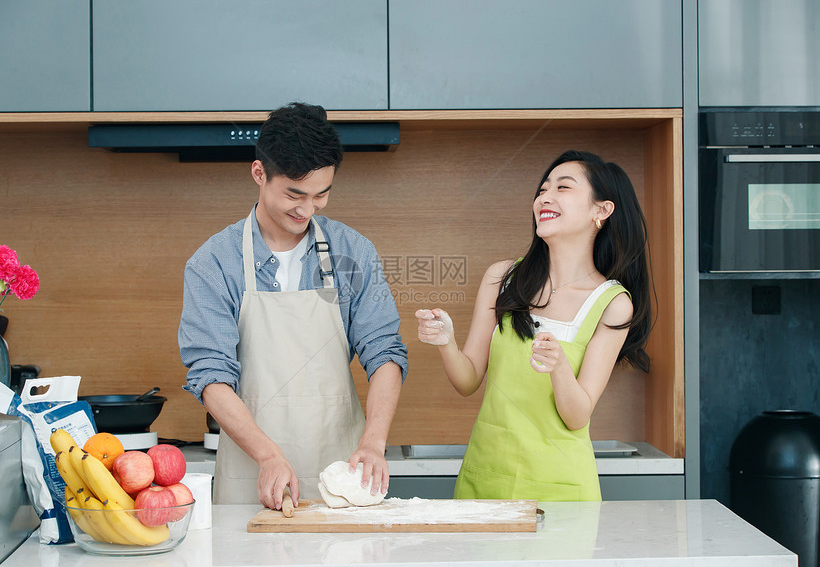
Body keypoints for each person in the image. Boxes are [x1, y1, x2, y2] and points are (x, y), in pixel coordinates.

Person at [179, 102, 407, 509]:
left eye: (322, 195)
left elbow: (385, 352)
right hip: (253, 477)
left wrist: (374, 442)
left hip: (342, 471)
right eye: (294, 194)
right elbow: (211, 377)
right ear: (259, 174)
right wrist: (268, 456)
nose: (307, 209)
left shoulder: (352, 251)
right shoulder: (213, 263)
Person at [415, 150, 651, 501]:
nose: (545, 196)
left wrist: (558, 368)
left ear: (600, 211)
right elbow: (468, 381)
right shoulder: (503, 277)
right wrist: (447, 341)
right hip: (487, 479)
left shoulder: (613, 303)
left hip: (561, 490)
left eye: (563, 187)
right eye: (542, 189)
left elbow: (577, 416)